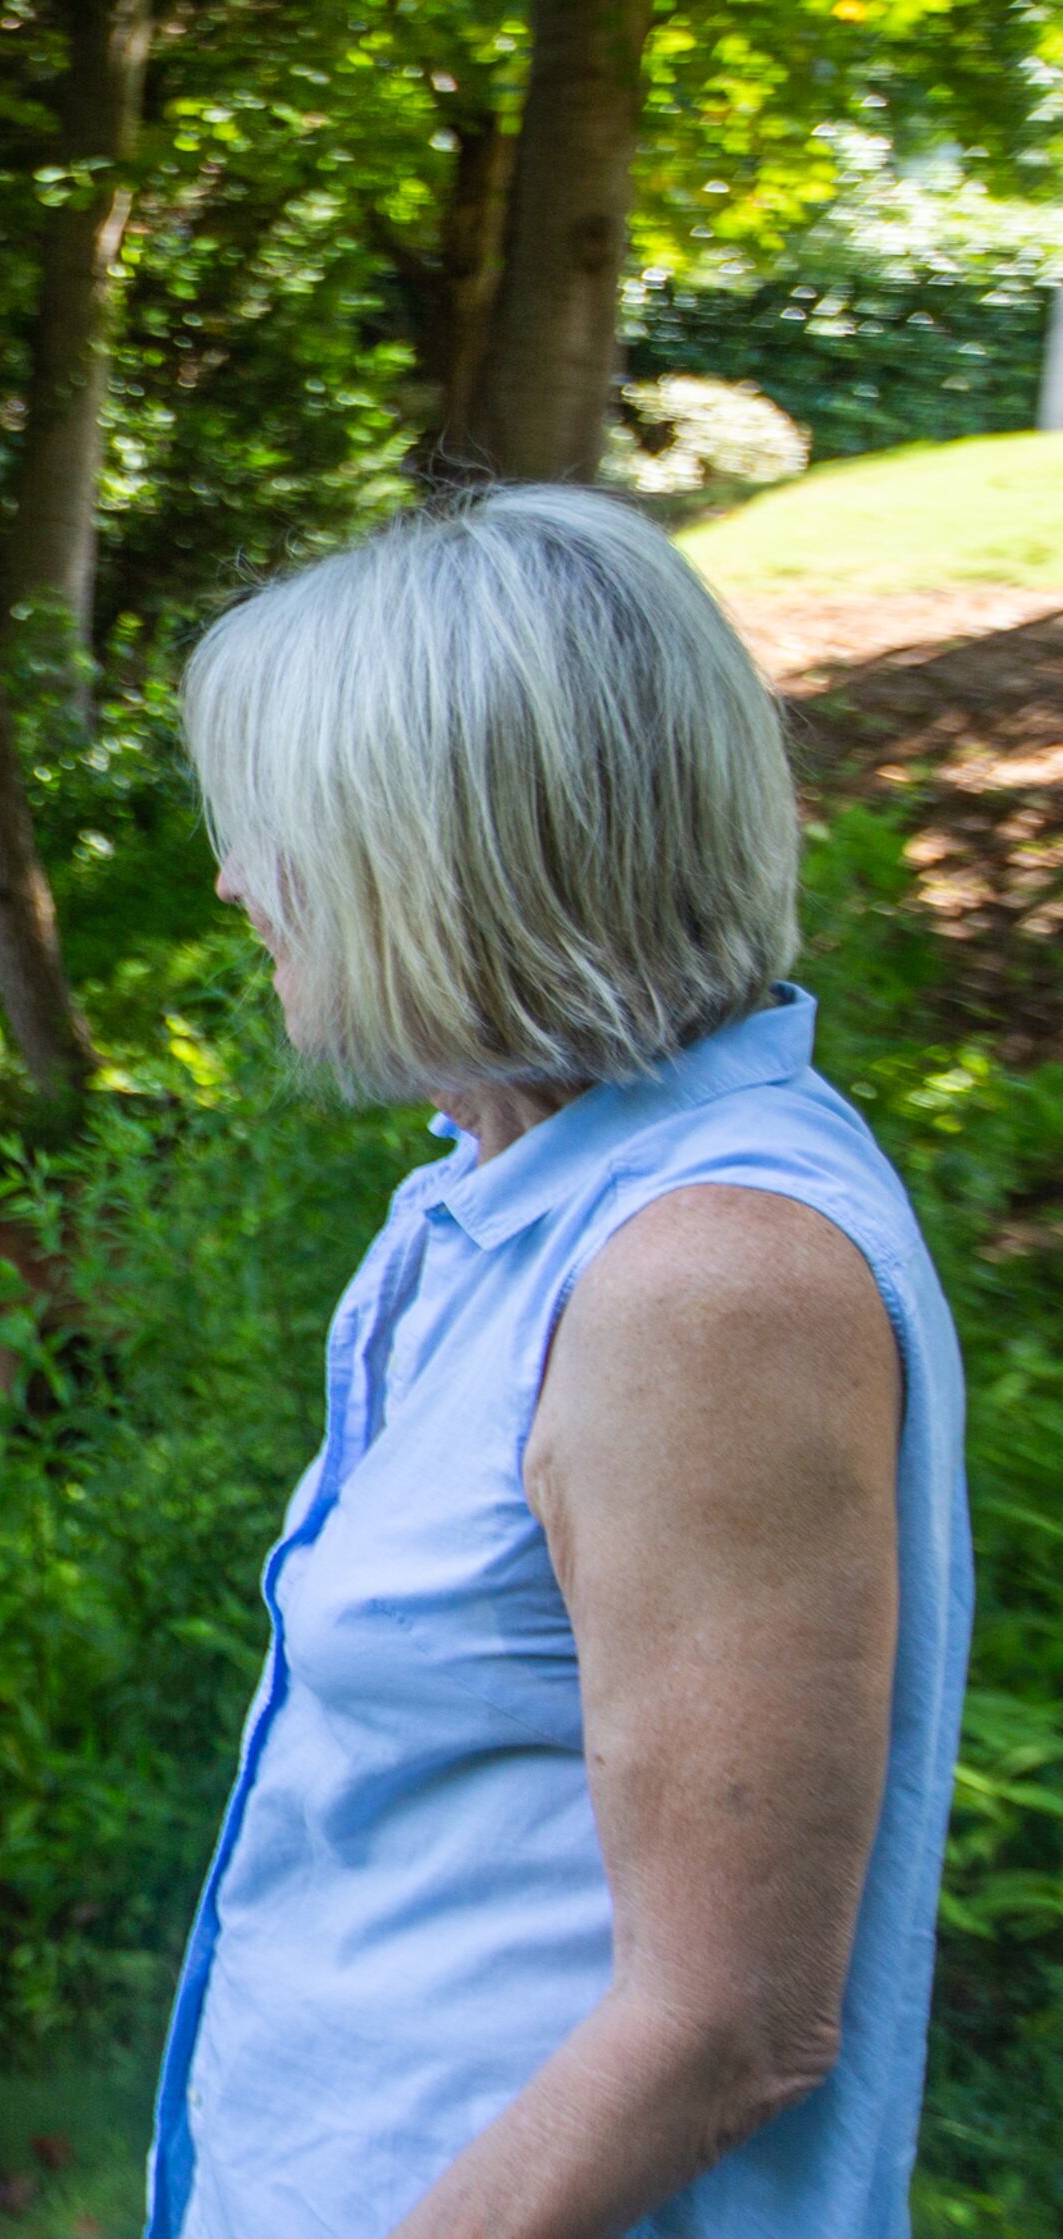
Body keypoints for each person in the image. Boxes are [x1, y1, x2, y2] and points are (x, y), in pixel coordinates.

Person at [144, 485, 971, 2238]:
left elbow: (727, 2024)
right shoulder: (510, 1203)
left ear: (453, 852)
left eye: (281, 823)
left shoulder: (708, 1280)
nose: (231, 876)